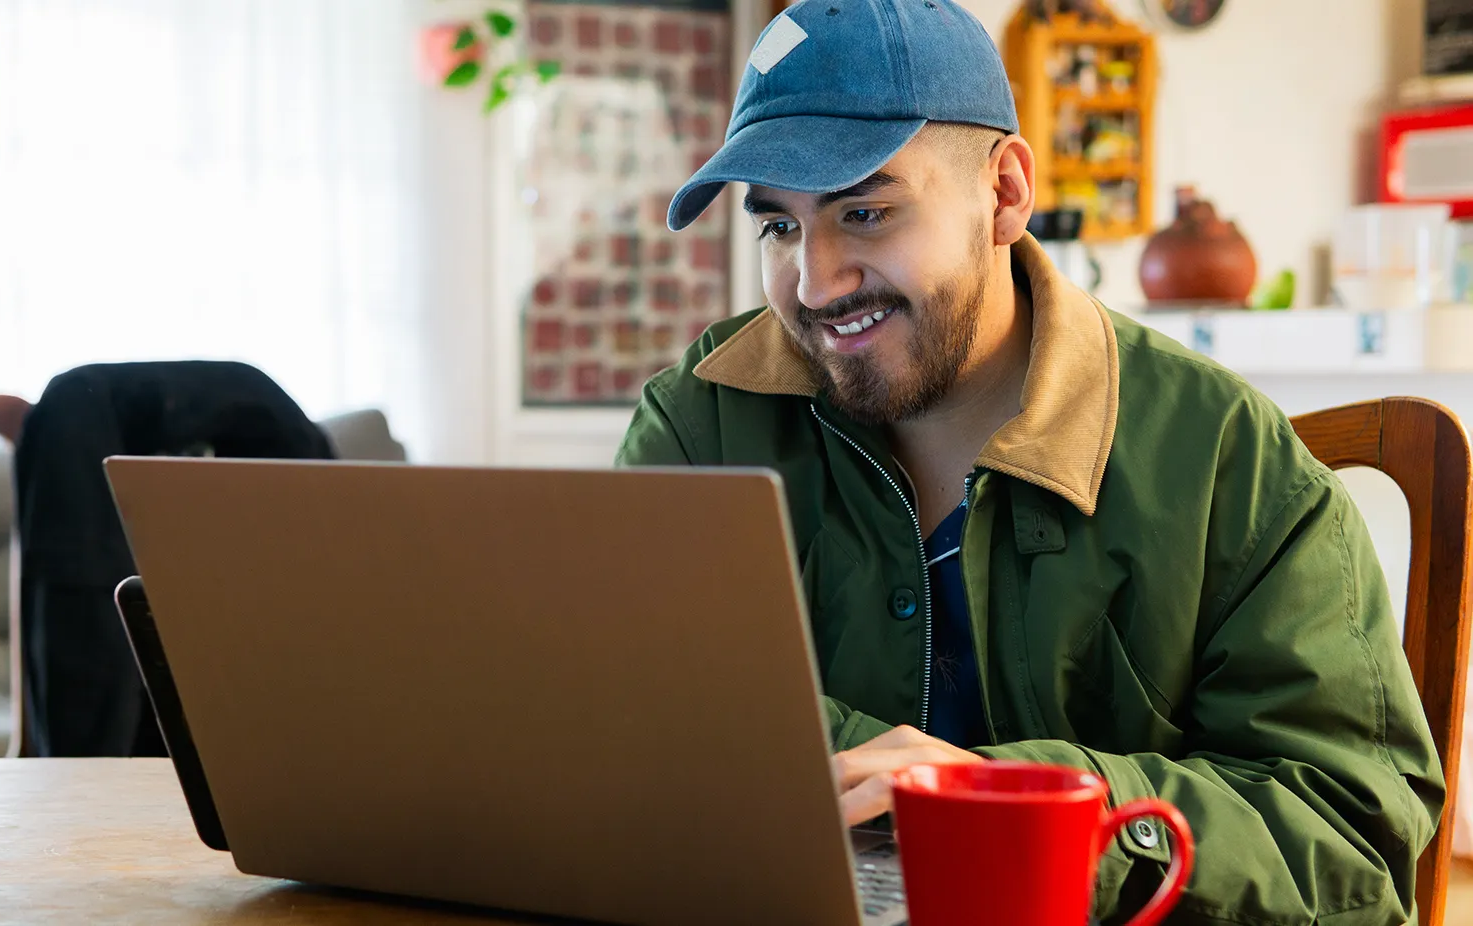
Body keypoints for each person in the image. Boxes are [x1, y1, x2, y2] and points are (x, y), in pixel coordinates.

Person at [614, 0, 1443, 922]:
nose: (815, 282)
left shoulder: (1229, 460)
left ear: (1005, 193)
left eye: (867, 211)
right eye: (777, 226)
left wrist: (1010, 807)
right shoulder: (698, 423)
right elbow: (619, 707)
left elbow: (1352, 844)